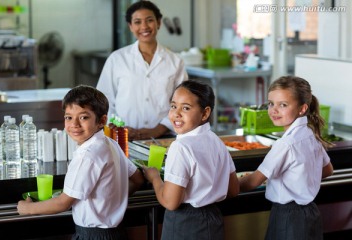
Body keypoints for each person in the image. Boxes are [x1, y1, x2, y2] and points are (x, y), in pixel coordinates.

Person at [17, 85, 145, 240]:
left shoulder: (88, 155)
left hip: (93, 236)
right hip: (116, 233)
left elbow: (63, 203)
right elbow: (138, 179)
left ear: (102, 121)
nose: (74, 124)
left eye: (84, 117)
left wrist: (27, 208)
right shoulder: (111, 143)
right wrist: (113, 200)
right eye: (68, 117)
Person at [239, 76, 334, 240]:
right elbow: (327, 170)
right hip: (310, 213)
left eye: (283, 105)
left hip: (288, 217)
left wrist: (226, 184)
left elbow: (252, 181)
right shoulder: (309, 135)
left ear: (302, 108)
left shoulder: (285, 144)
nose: (273, 110)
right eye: (271, 103)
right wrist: (294, 178)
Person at [142, 80, 240, 240]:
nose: (176, 113)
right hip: (213, 220)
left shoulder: (180, 147)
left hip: (185, 224)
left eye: (186, 108)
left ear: (205, 113)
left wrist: (154, 178)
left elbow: (170, 202)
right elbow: (233, 189)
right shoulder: (216, 141)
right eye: (173, 106)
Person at [96, 0, 188, 141]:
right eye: (137, 22)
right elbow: (103, 100)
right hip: (122, 137)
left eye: (149, 20)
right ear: (130, 26)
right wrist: (119, 128)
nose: (144, 26)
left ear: (158, 22)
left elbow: (183, 103)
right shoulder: (117, 59)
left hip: (164, 138)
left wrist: (158, 130)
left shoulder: (175, 62)